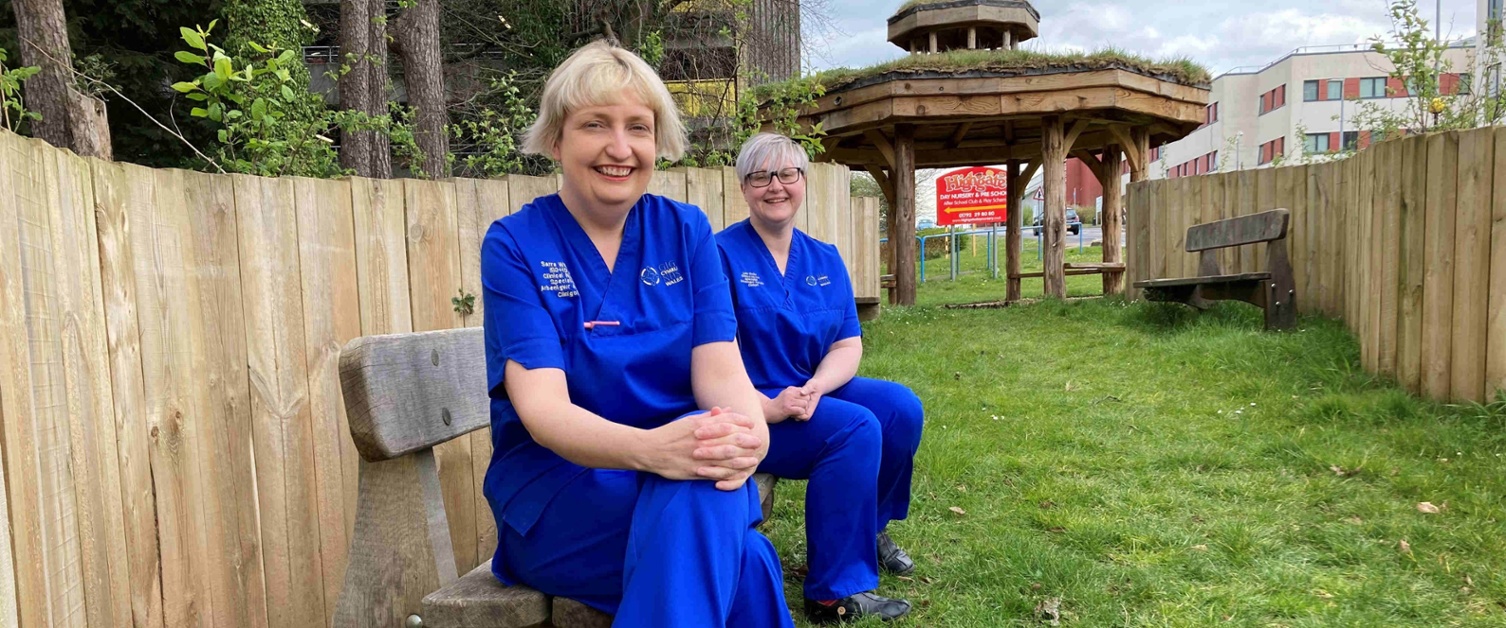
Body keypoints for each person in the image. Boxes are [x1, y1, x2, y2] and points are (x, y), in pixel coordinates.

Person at [479, 42, 793, 628]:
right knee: (742, 555)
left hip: (683, 472)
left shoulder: (686, 231)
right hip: (565, 495)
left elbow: (722, 369)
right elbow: (544, 411)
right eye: (595, 124)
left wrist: (748, 434)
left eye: (638, 128)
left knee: (710, 506)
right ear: (556, 139)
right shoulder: (516, 245)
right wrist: (654, 451)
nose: (620, 148)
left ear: (657, 143)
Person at [716, 133, 925, 624]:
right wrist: (772, 405)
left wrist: (817, 387)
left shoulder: (825, 257)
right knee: (855, 429)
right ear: (744, 187)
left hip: (811, 389)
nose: (776, 186)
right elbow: (708, 356)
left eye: (787, 174)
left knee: (900, 409)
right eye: (761, 176)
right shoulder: (719, 255)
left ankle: (868, 531)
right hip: (754, 407)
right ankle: (832, 592)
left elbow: (846, 344)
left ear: (802, 182)